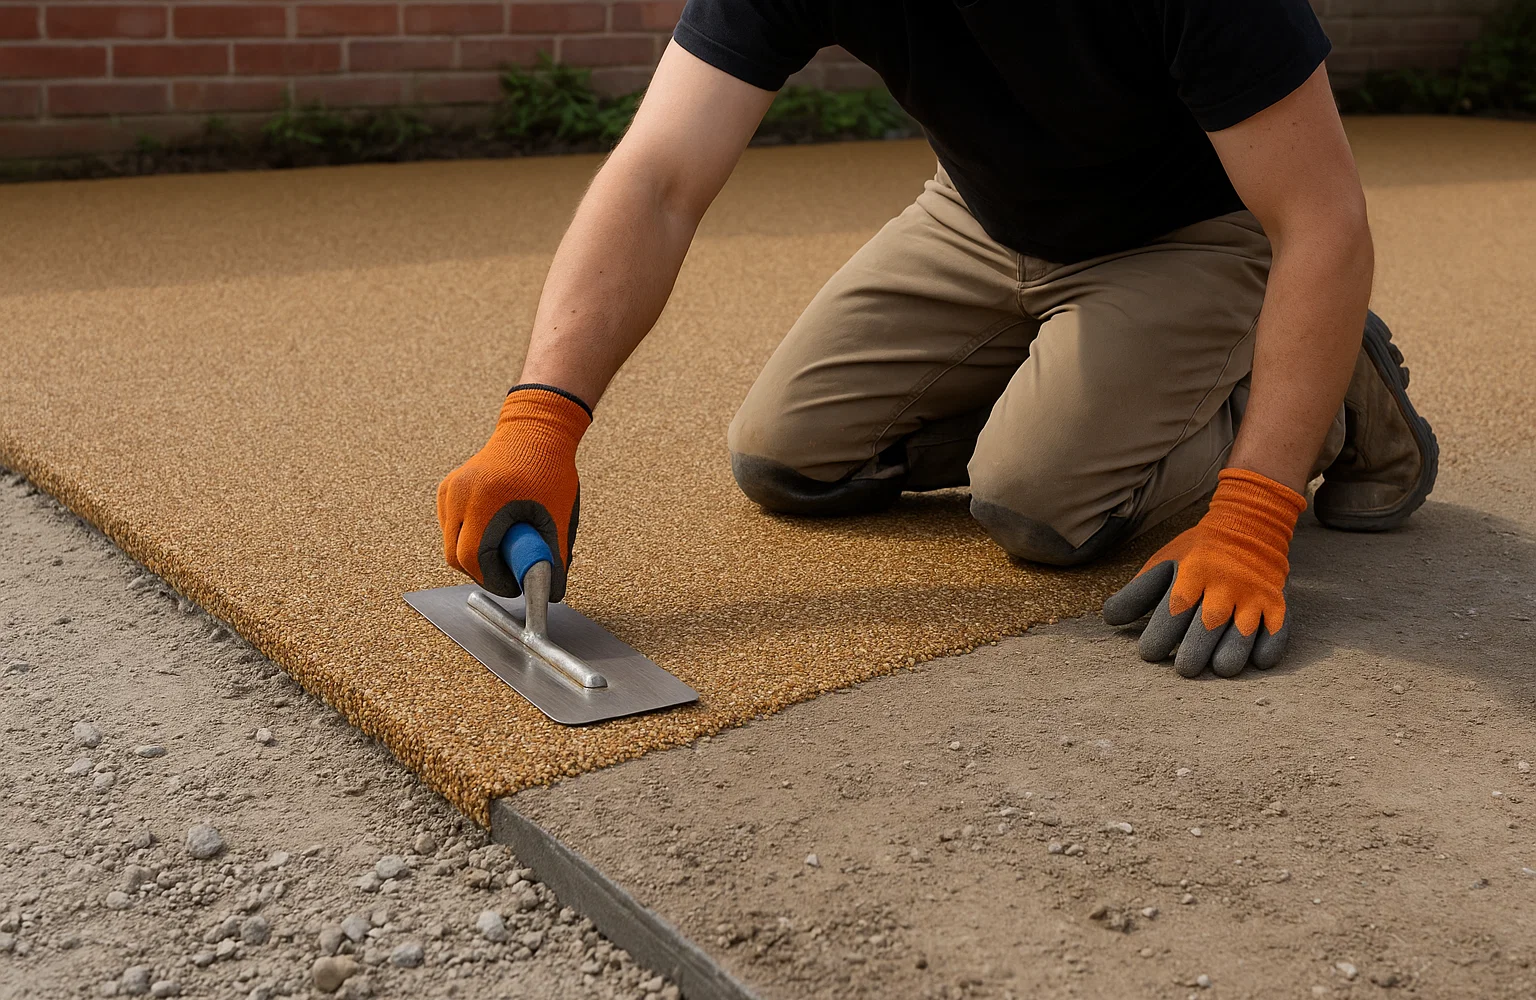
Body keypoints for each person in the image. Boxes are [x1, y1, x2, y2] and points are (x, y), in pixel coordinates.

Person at [436, 0, 1439, 678]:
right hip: (982, 216)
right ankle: (1091, 375)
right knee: (786, 457)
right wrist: (542, 418)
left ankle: (1326, 396)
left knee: (1038, 504)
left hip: (1194, 235)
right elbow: (658, 178)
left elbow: (1323, 224)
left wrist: (1258, 511)